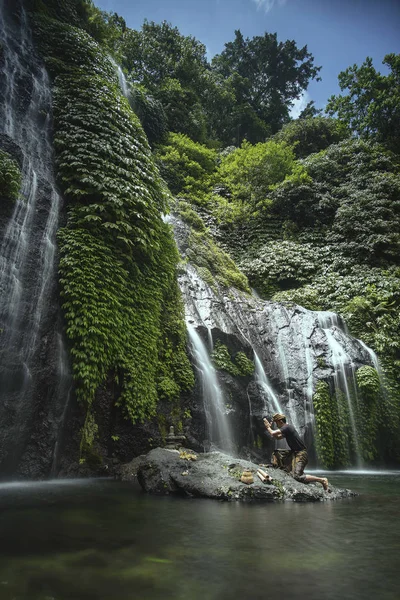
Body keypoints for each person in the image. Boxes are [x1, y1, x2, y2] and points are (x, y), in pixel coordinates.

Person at [263, 413, 330, 492]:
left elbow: (273, 433)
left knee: (297, 476)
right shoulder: (286, 429)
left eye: (276, 422)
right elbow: (277, 437)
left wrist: (268, 427)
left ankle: (322, 480)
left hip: (301, 454)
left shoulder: (287, 427)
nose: (276, 425)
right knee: (277, 453)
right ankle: (283, 468)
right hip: (294, 453)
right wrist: (270, 429)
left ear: (280, 421)